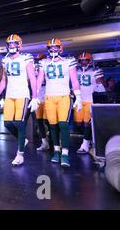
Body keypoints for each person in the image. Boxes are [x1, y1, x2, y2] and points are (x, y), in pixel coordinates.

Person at [36, 38, 82, 167]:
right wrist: (34, 96)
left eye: (55, 47)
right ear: (48, 49)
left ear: (60, 48)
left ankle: (65, 153)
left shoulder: (68, 61)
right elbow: (39, 80)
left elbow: (74, 80)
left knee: (63, 125)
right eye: (51, 47)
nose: (53, 49)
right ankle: (56, 151)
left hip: (63, 97)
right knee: (53, 126)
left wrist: (78, 96)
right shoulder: (44, 62)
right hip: (49, 97)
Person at [0, 34, 38, 166]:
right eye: (10, 44)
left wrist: (35, 97)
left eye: (14, 43)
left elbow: (32, 78)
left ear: (19, 45)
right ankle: (22, 139)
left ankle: (20, 155)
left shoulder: (26, 58)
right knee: (7, 123)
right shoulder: (5, 60)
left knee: (19, 123)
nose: (11, 46)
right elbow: (3, 80)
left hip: (22, 94)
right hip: (9, 95)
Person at [74, 52, 105, 154]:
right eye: (81, 60)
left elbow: (100, 85)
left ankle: (85, 144)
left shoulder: (96, 71)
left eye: (85, 60)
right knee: (79, 124)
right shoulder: (75, 71)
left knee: (87, 124)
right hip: (79, 100)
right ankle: (88, 139)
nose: (83, 62)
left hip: (90, 100)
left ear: (89, 61)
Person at [34, 53, 51, 151]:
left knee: (50, 121)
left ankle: (55, 140)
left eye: (40, 59)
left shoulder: (48, 66)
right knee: (39, 120)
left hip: (48, 93)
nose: (39, 61)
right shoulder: (34, 68)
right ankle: (44, 142)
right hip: (38, 94)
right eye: (38, 59)